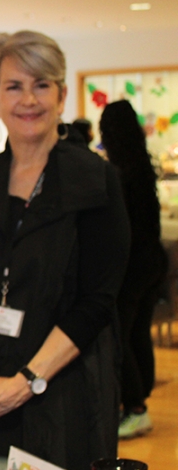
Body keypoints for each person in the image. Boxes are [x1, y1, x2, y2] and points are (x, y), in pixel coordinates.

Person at [0, 30, 129, 470]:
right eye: (14, 86)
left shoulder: (96, 182)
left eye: (42, 84)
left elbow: (96, 304)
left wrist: (25, 384)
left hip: (61, 401)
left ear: (62, 96)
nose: (29, 99)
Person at [99, 99, 168, 438]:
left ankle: (135, 406)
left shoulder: (118, 174)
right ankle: (140, 404)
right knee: (138, 333)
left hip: (132, 268)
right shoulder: (141, 166)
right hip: (152, 262)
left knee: (120, 337)